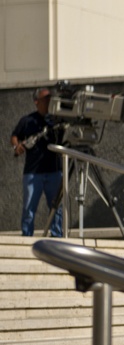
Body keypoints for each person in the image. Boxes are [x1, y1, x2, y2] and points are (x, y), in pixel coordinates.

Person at [10, 87, 63, 237]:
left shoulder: (57, 119)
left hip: (54, 171)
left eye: (50, 98)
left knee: (56, 207)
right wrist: (17, 146)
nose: (49, 101)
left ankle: (57, 236)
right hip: (33, 173)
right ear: (36, 101)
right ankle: (27, 238)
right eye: (45, 99)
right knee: (29, 208)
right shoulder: (27, 120)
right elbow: (14, 135)